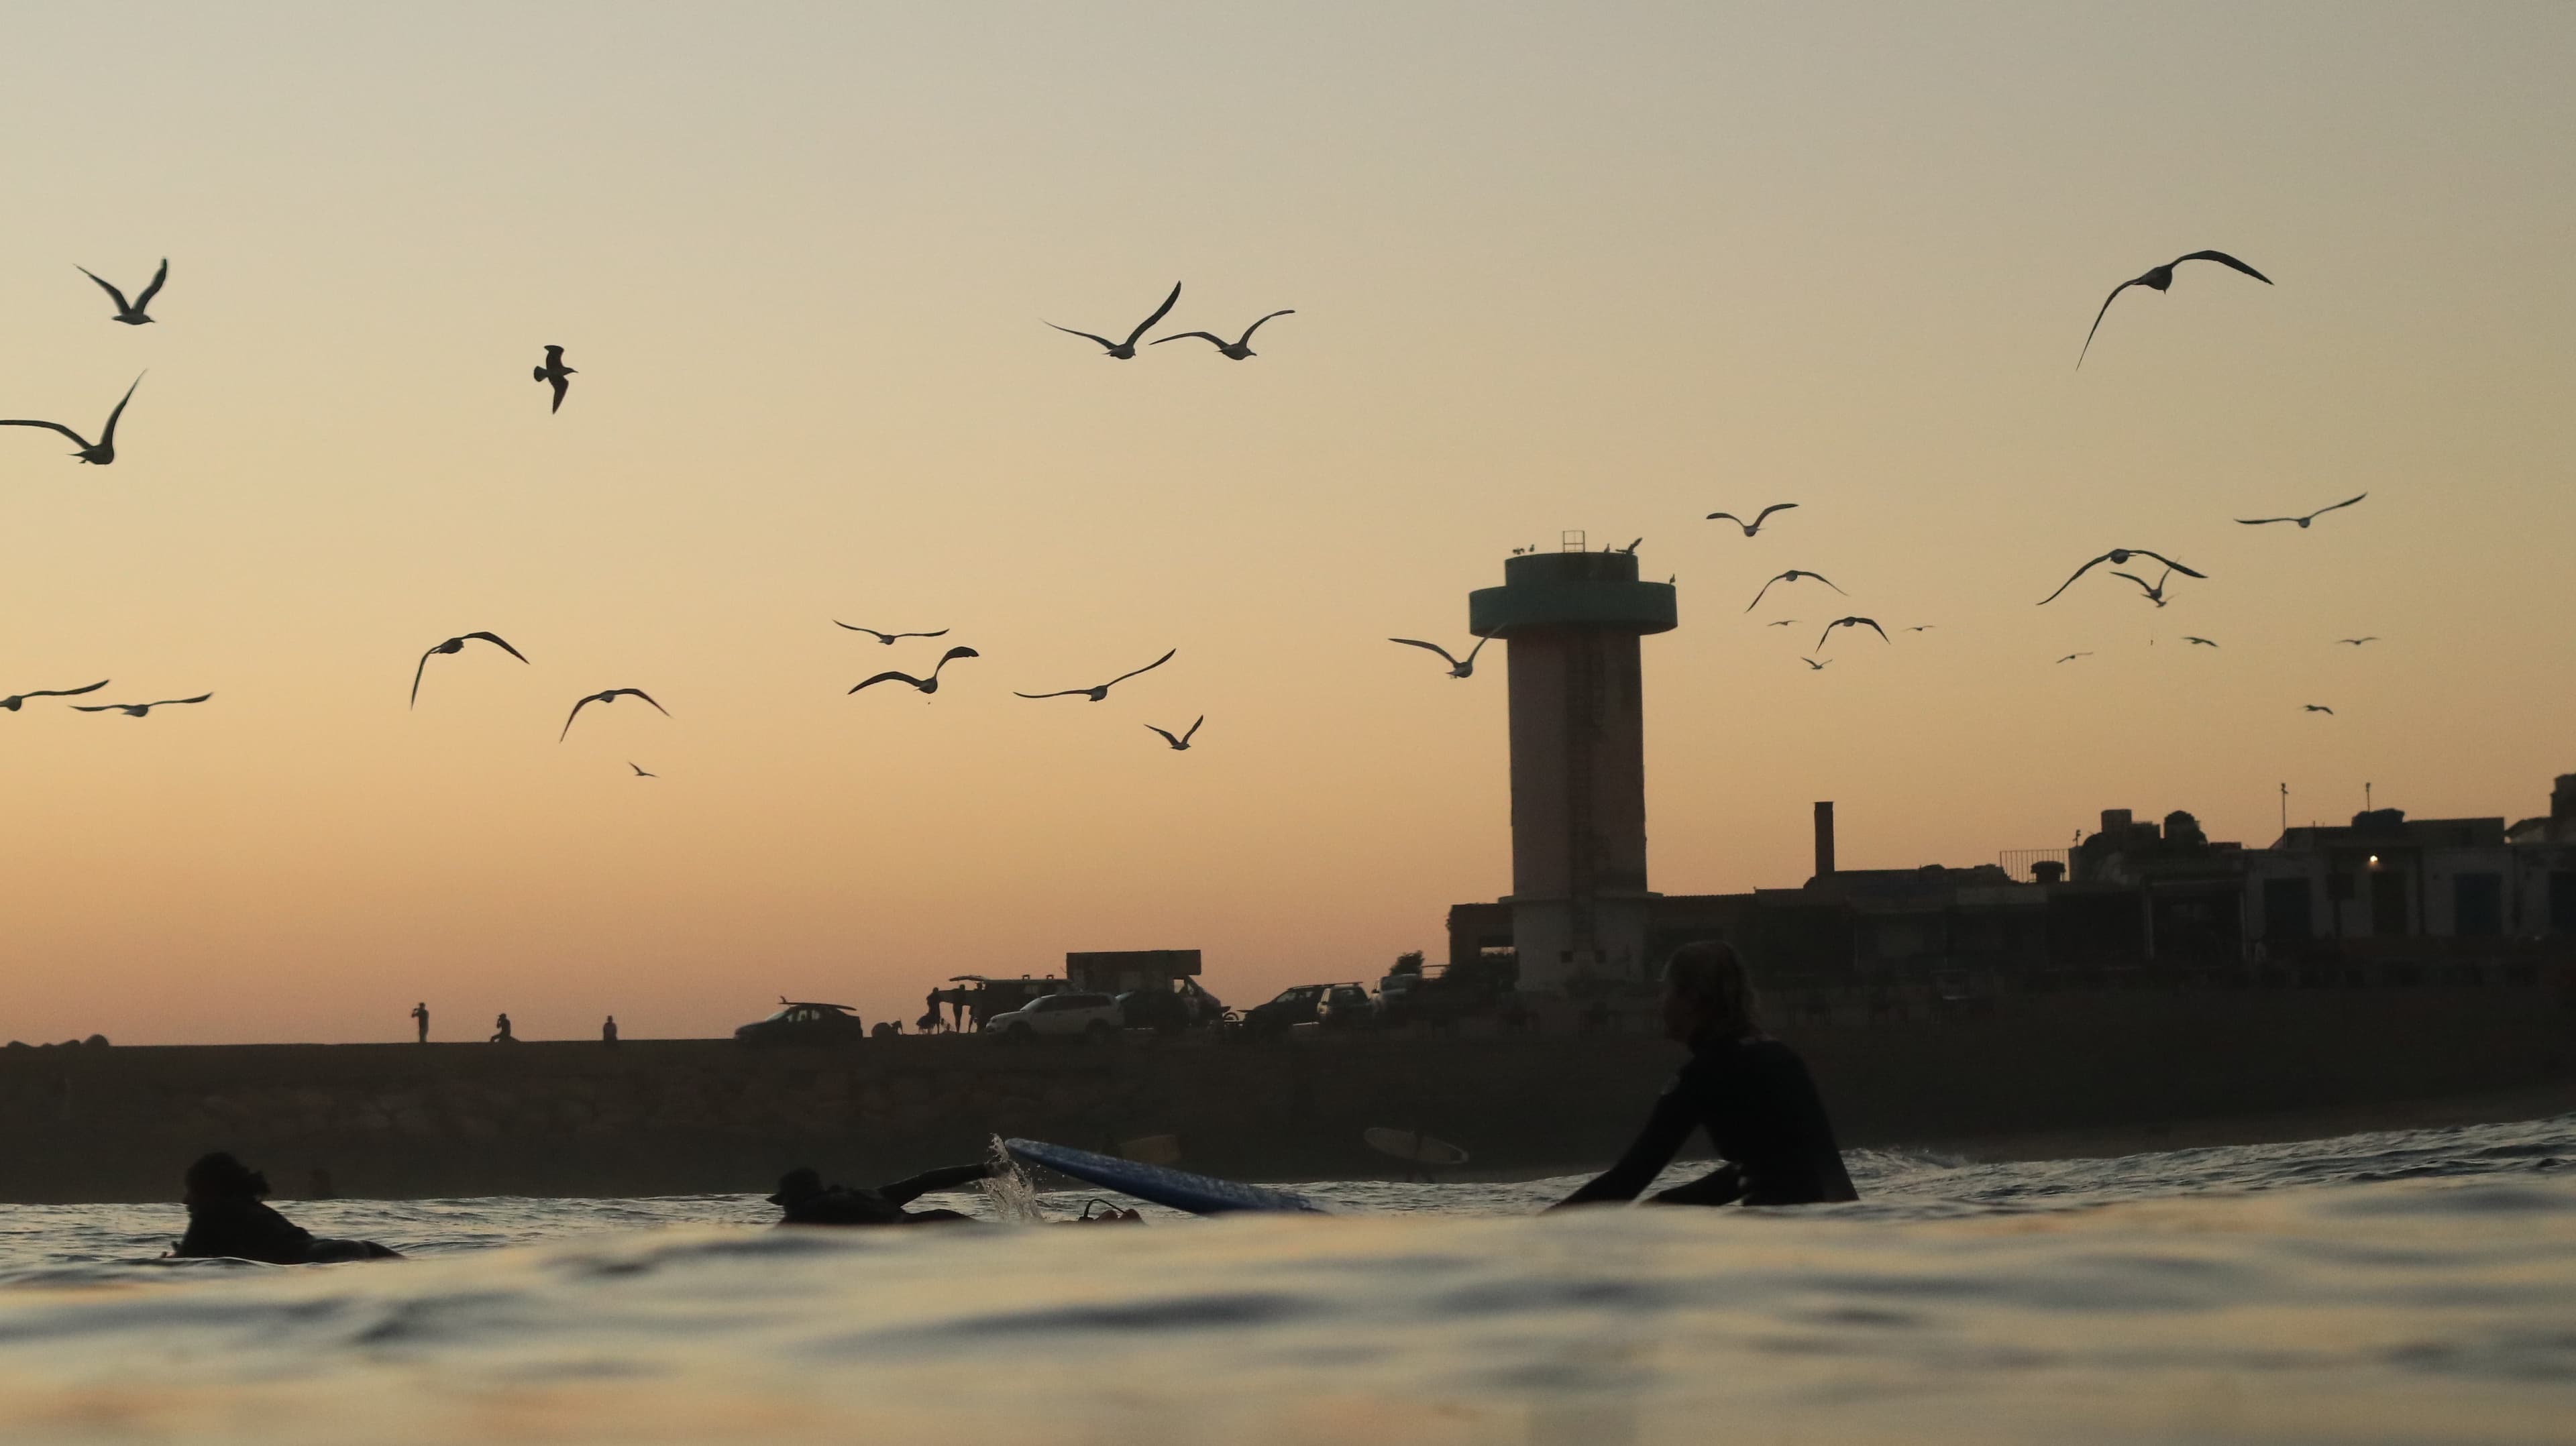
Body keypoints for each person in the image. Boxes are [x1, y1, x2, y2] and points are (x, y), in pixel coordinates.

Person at [1554, 941, 1857, 1210]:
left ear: (1692, 1000)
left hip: (1785, 1238)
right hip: (1845, 1225)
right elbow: (1776, 1163)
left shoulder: (1706, 1073)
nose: (1660, 1002)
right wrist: (1665, 1203)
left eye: (1666, 990)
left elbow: (1630, 1178)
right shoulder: (1780, 1056)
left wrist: (1535, 1232)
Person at [171, 1152, 400, 1263]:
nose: (186, 1201)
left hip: (325, 1258)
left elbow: (183, 1261)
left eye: (191, 1190)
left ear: (208, 1189)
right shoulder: (256, 1210)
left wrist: (169, 1258)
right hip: (356, 1247)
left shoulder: (210, 1213)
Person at [767, 1162, 994, 1226]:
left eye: (784, 1201)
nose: (784, 1207)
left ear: (794, 1197)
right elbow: (925, 1181)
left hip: (931, 1234)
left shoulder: (804, 1215)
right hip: (945, 1219)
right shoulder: (868, 1196)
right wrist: (985, 1170)